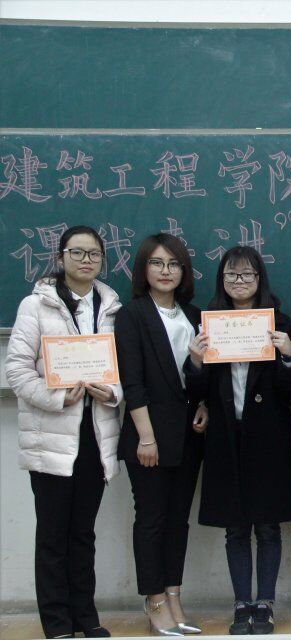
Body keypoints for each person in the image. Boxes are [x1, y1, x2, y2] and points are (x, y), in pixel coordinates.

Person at [4, 226, 122, 639]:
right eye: (78, 252)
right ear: (61, 257)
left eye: (94, 254)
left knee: (83, 533)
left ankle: (86, 618)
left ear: (103, 259)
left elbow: (123, 369)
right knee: (53, 534)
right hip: (51, 436)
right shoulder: (35, 306)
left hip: (96, 435)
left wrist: (112, 392)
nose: (86, 260)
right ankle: (57, 623)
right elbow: (17, 370)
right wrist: (58, 398)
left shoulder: (111, 307)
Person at [184, 247, 291, 635]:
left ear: (259, 279)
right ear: (222, 280)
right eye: (232, 275)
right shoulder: (208, 323)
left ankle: (265, 603)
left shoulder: (279, 322)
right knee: (235, 528)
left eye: (248, 275)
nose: (240, 282)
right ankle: (241, 603)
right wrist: (196, 361)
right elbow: (196, 389)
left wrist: (289, 355)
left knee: (267, 526)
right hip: (224, 437)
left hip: (268, 438)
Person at [114, 233, 207, 636]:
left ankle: (173, 594)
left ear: (183, 271)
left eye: (173, 264)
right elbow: (132, 382)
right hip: (148, 435)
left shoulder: (194, 315)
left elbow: (199, 378)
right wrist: (146, 438)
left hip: (189, 434)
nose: (166, 271)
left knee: (178, 521)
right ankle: (153, 600)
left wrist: (203, 401)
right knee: (151, 519)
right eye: (157, 263)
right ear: (144, 269)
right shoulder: (132, 315)